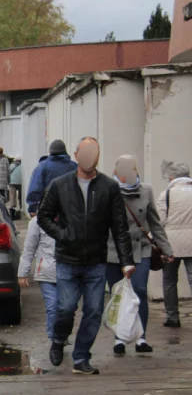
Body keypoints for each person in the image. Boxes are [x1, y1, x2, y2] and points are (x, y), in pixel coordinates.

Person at [36, 137, 134, 375]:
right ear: (76, 156)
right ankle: (59, 339)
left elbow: (119, 227)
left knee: (94, 311)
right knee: (66, 307)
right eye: (85, 152)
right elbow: (43, 216)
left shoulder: (109, 187)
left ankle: (81, 357)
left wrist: (126, 261)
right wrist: (63, 234)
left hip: (96, 261)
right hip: (68, 259)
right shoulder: (60, 185)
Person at [104, 155, 173, 354]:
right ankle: (120, 338)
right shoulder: (108, 190)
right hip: (113, 250)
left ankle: (141, 337)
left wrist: (166, 249)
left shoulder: (146, 190)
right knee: (118, 294)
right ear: (116, 172)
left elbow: (154, 222)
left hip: (140, 248)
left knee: (139, 291)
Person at [18, 214, 59, 346]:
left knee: (66, 308)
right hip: (46, 272)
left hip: (68, 272)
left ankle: (62, 335)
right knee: (52, 306)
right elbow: (29, 249)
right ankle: (55, 341)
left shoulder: (71, 215)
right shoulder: (37, 222)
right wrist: (22, 273)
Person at [159, 163, 192, 327]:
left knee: (170, 280)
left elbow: (160, 221)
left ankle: (172, 317)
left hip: (170, 244)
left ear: (172, 178)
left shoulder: (166, 195)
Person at [27, 139, 78, 215]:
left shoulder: (43, 166)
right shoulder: (74, 166)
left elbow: (35, 188)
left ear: (50, 151)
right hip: (71, 210)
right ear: (64, 151)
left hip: (49, 210)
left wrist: (32, 208)